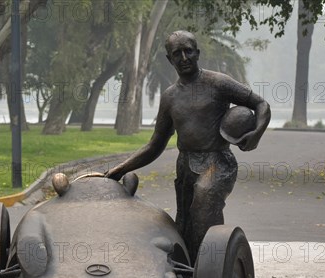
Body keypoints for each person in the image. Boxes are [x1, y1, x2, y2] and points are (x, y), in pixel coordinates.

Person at [106, 31, 271, 265]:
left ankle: (213, 273)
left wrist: (256, 133)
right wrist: (120, 169)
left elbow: (261, 104)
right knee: (184, 223)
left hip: (217, 162)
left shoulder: (218, 83)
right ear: (169, 59)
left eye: (188, 51)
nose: (184, 58)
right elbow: (155, 145)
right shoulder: (170, 97)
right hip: (185, 165)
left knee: (204, 204)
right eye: (177, 53)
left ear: (197, 53)